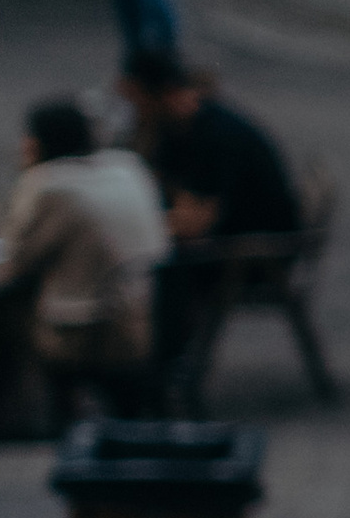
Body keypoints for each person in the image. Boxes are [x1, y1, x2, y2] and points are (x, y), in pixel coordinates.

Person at [120, 50, 304, 392]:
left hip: (255, 254)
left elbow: (195, 223)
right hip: (234, 240)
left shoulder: (214, 134)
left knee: (155, 269)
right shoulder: (180, 128)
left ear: (159, 94)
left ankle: (156, 375)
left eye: (135, 100)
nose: (133, 112)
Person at [2, 97, 167, 415]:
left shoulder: (50, 184)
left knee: (11, 315)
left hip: (88, 327)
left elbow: (17, 258)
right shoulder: (127, 166)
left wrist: (28, 174)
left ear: (37, 143)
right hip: (149, 313)